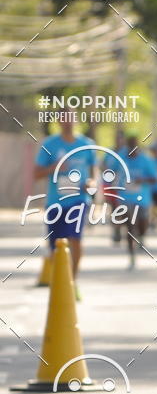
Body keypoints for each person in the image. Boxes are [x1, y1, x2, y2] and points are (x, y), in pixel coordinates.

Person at [34, 117, 97, 290]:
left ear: (76, 120)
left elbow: (93, 174)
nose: (68, 122)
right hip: (56, 202)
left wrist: (91, 184)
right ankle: (61, 280)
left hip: (79, 200)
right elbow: (36, 173)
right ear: (59, 121)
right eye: (64, 118)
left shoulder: (87, 144)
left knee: (75, 239)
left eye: (71, 118)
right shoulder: (50, 144)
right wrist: (53, 168)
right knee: (56, 246)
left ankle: (72, 282)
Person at [118, 136, 157, 269]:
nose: (131, 150)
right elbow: (108, 169)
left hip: (142, 199)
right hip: (125, 198)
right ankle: (132, 256)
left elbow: (154, 179)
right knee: (129, 226)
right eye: (129, 146)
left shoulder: (145, 160)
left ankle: (142, 236)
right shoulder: (120, 157)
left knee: (141, 225)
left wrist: (143, 180)